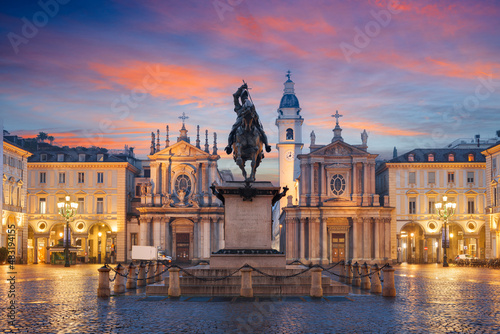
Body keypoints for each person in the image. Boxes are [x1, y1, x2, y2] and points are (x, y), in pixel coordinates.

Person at [225, 83, 272, 154]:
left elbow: (256, 115)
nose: (245, 99)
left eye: (245, 97)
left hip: (252, 121)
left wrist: (254, 115)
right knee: (232, 131)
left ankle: (266, 145)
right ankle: (229, 146)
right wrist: (241, 88)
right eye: (243, 98)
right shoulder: (239, 107)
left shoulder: (251, 106)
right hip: (240, 121)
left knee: (261, 131)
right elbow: (235, 96)